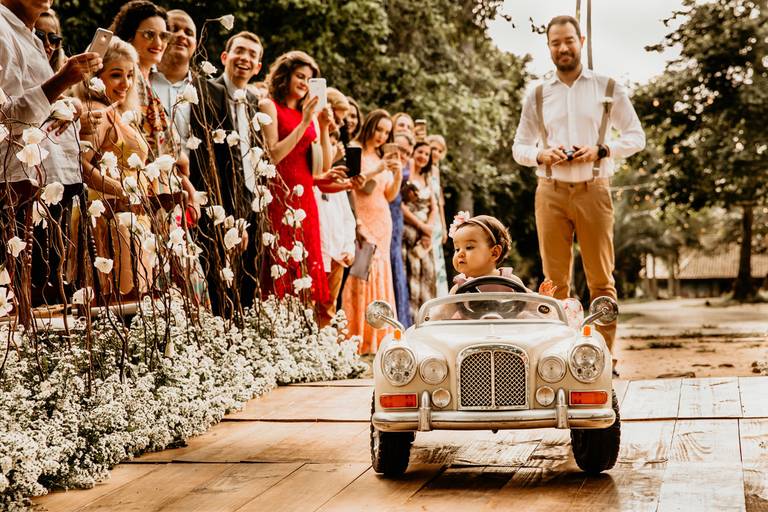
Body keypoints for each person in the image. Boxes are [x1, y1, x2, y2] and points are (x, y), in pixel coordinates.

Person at [512, 15, 645, 361]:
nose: (563, 48)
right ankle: (559, 356)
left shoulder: (607, 87)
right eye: (555, 43)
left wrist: (602, 149)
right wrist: (541, 154)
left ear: (581, 41)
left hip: (593, 188)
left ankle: (603, 356)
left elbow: (636, 137)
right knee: (554, 282)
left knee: (601, 279)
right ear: (548, 47)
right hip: (550, 190)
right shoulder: (538, 95)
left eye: (568, 40)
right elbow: (519, 147)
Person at [1, 0, 102, 317]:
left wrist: (67, 107)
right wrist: (62, 80)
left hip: (49, 188)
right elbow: (5, 119)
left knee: (50, 299)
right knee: (22, 307)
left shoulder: (27, 35)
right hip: (15, 190)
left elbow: (39, 106)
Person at [75, 38, 153, 299]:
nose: (126, 83)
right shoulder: (97, 111)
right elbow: (79, 164)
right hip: (109, 221)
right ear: (96, 77)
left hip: (131, 217)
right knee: (119, 301)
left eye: (130, 75)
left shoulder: (118, 111)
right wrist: (120, 191)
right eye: (116, 75)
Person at [259, 50, 334, 308]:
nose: (304, 83)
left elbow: (322, 167)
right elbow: (273, 154)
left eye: (309, 79)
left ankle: (302, 329)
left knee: (306, 264)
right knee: (281, 262)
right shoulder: (269, 105)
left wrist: (322, 127)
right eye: (299, 76)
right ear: (285, 76)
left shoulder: (308, 114)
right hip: (280, 195)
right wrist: (303, 124)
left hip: (306, 199)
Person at [447, 212, 582, 325]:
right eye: (457, 249)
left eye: (469, 247)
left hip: (508, 335)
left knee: (527, 316)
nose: (460, 254)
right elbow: (439, 313)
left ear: (494, 253)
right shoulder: (459, 288)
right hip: (471, 337)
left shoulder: (509, 281)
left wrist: (542, 298)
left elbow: (530, 304)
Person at [341, 109, 403, 353]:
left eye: (386, 132)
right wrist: (379, 168)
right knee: (363, 273)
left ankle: (379, 338)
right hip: (362, 217)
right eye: (379, 129)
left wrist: (396, 172)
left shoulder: (381, 157)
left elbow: (389, 194)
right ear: (370, 126)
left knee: (381, 272)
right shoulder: (355, 149)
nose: (382, 136)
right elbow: (360, 186)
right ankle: (358, 337)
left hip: (383, 220)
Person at [151, 9, 196, 151]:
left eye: (189, 33)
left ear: (195, 44)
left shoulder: (213, 93)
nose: (181, 35)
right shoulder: (136, 81)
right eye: (173, 29)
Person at [401, 141, 437, 320]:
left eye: (426, 154)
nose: (423, 156)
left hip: (425, 235)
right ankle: (410, 318)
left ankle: (426, 317)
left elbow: (434, 207)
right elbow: (401, 206)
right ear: (413, 152)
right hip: (409, 231)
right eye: (420, 152)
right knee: (411, 273)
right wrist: (420, 226)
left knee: (428, 273)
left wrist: (428, 230)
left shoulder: (428, 178)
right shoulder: (405, 174)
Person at [389, 132, 414, 327]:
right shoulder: (387, 165)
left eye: (407, 151)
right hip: (385, 215)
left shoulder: (405, 168)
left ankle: (402, 320)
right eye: (400, 149)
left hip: (397, 218)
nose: (404, 154)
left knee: (397, 266)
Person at [425, 135, 449, 297]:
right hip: (426, 218)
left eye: (440, 151)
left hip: (438, 224)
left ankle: (439, 297)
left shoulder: (436, 170)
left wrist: (444, 225)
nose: (436, 153)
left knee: (438, 263)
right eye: (433, 148)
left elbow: (439, 200)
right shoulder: (423, 169)